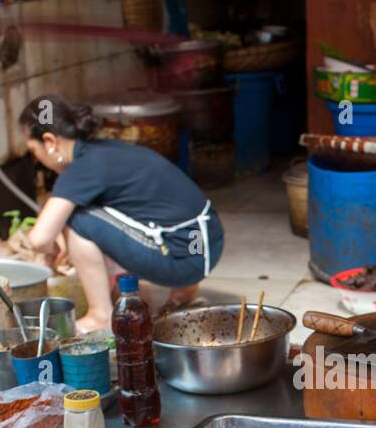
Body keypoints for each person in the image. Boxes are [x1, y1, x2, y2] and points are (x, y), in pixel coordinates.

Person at [18, 94, 223, 333]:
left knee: (78, 220)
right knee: (102, 214)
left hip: (183, 261)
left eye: (34, 151)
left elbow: (39, 239)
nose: (37, 159)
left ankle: (100, 316)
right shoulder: (107, 151)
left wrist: (51, 250)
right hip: (206, 245)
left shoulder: (81, 170)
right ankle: (174, 292)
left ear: (50, 141)